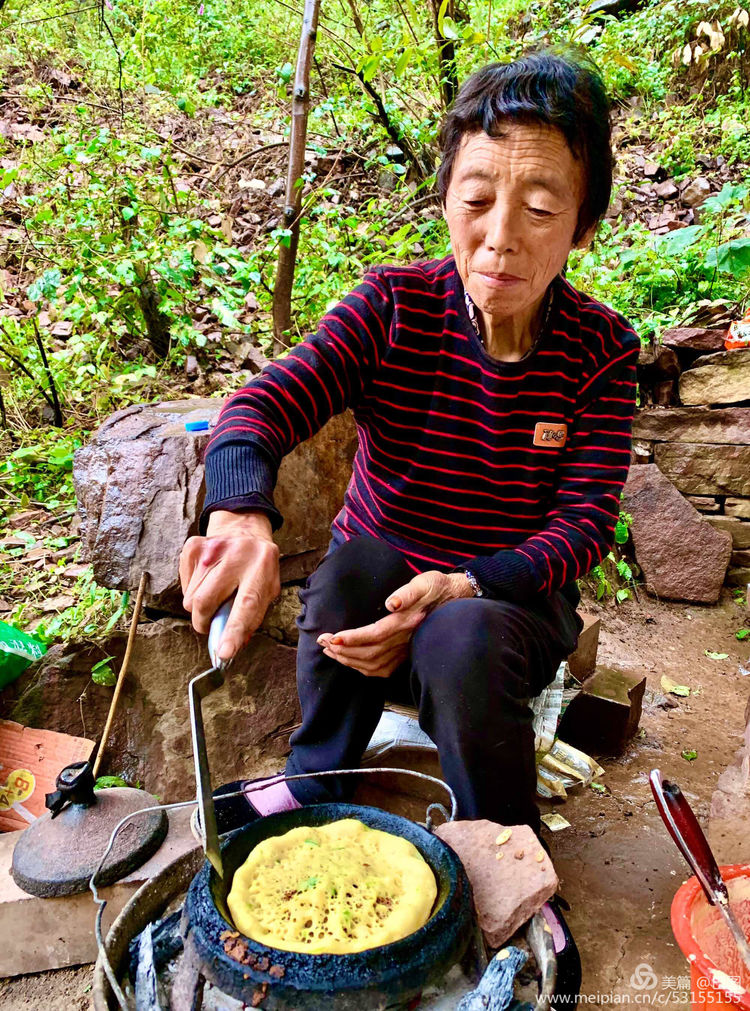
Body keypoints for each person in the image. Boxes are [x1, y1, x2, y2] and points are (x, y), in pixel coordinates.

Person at [180, 48, 638, 843]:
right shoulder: (395, 307)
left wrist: (465, 584)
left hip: (506, 602)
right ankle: (313, 777)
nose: (500, 239)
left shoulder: (600, 350)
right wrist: (239, 518)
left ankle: (504, 840)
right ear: (446, 199)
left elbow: (586, 524)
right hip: (382, 577)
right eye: (477, 200)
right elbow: (261, 405)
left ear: (585, 226)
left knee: (461, 637)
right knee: (349, 574)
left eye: (539, 209)